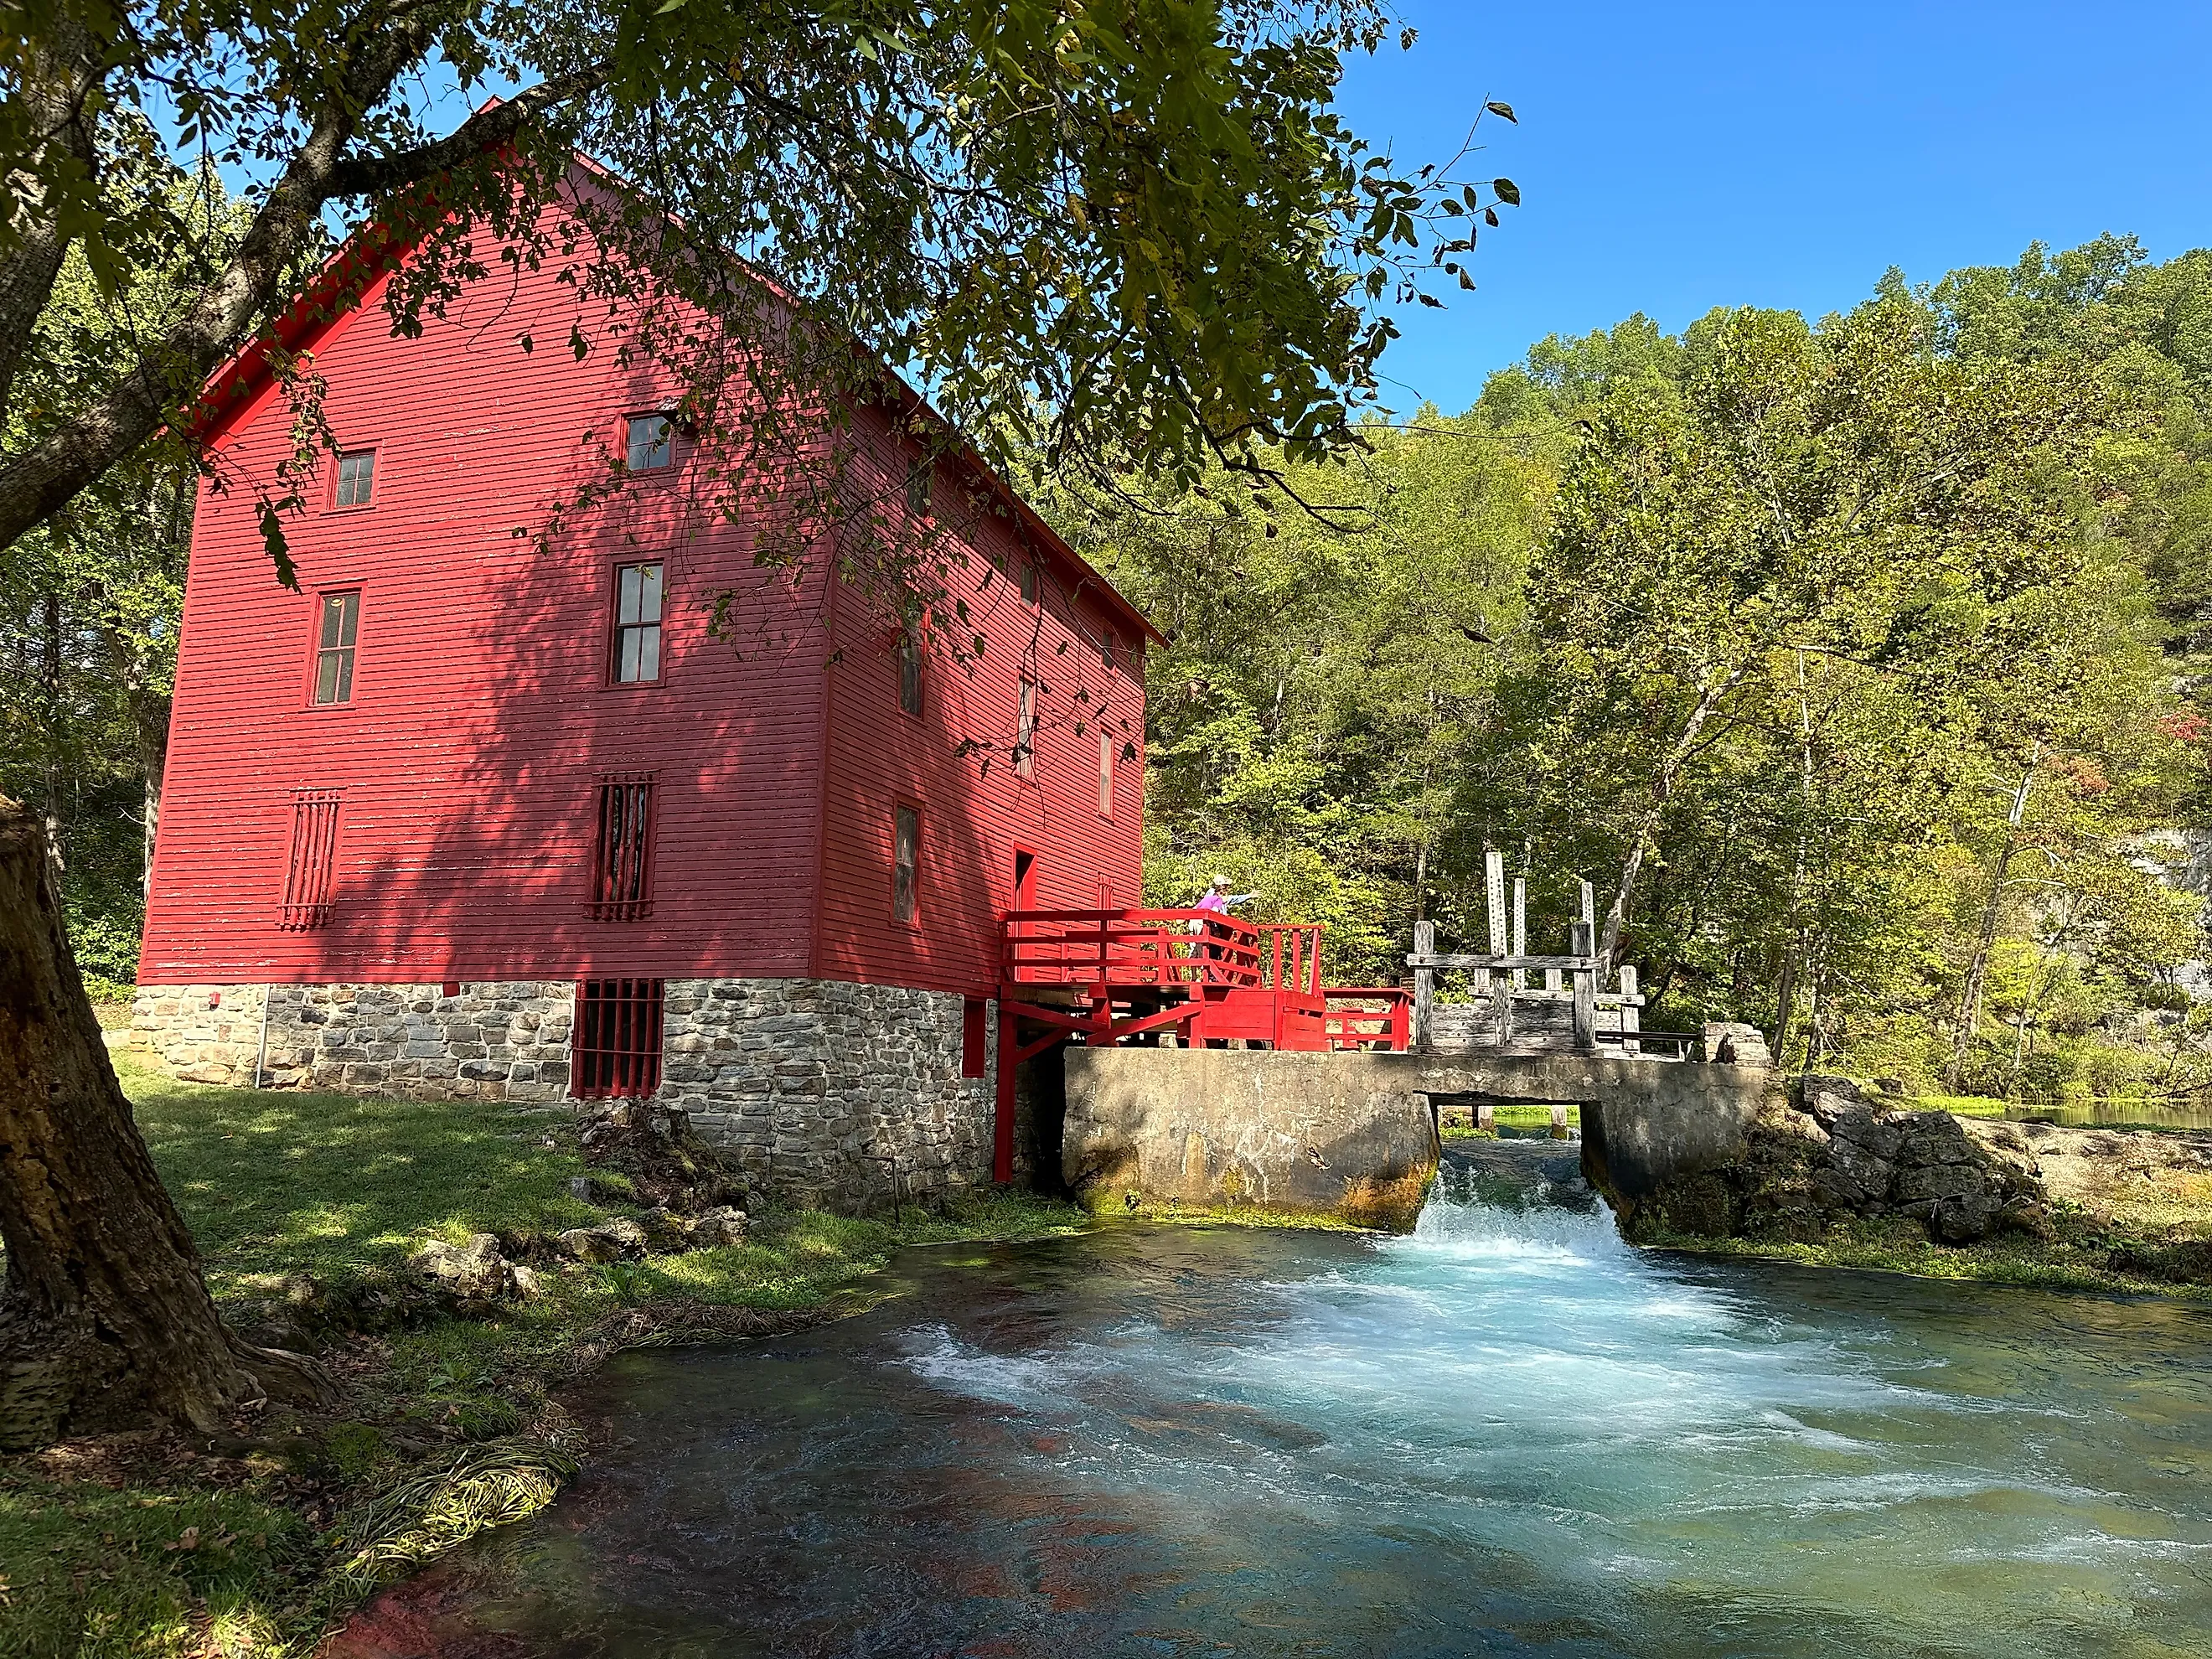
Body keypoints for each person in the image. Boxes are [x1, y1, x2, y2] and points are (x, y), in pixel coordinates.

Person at [1189, 875, 1257, 981]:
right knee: (1203, 950)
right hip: (1205, 924)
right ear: (1221, 887)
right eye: (1226, 886)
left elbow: (1196, 908)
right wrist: (1214, 927)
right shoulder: (1215, 896)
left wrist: (1248, 896)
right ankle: (1207, 977)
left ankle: (1200, 976)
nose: (1227, 889)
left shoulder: (1215, 897)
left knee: (1198, 949)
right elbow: (1213, 913)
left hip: (1200, 922)